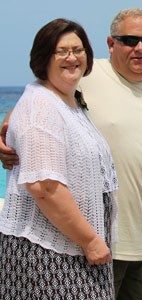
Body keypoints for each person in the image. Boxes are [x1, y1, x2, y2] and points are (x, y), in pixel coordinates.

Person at [0, 8, 142, 299]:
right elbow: (32, 107)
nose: (139, 48)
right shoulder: (83, 74)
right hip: (90, 244)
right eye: (129, 40)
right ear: (111, 44)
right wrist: (4, 136)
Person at [0, 18, 118, 299]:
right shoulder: (41, 105)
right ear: (44, 58)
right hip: (47, 252)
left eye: (78, 50)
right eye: (61, 51)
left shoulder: (68, 100)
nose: (71, 57)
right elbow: (44, 187)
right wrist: (90, 240)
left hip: (72, 246)